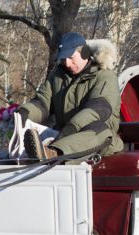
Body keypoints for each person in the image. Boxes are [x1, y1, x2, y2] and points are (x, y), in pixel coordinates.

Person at [20, 32, 124, 160]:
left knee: (99, 129)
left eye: (71, 57)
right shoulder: (58, 76)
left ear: (85, 53)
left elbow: (99, 109)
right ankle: (42, 152)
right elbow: (42, 103)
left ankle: (51, 153)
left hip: (99, 140)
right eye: (63, 59)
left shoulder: (105, 76)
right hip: (62, 136)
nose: (67, 63)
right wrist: (24, 113)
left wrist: (71, 128)